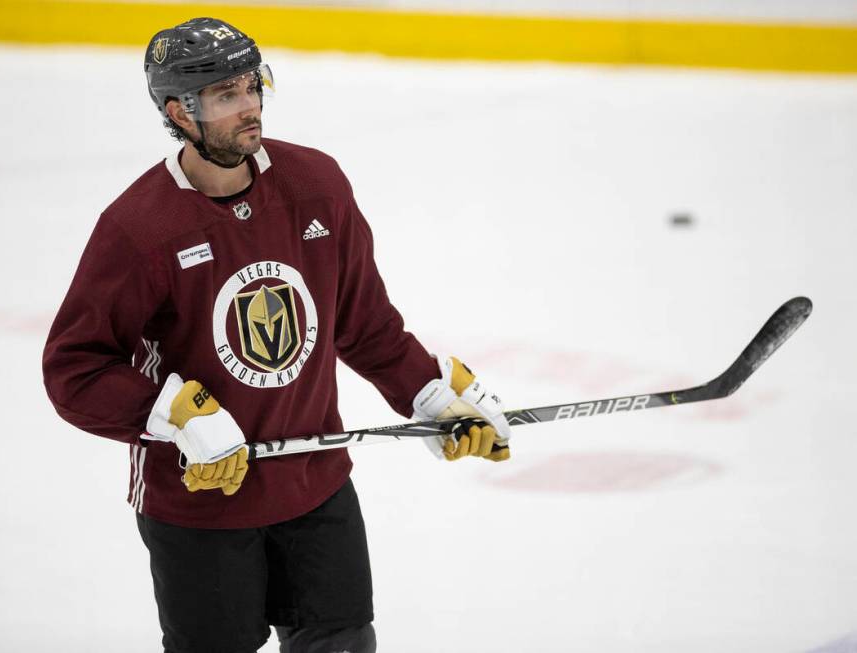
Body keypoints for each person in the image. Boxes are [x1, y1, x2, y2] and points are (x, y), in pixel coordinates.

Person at [42, 17, 511, 653]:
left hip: (316, 487)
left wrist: (429, 394)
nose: (250, 108)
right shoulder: (140, 227)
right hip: (200, 506)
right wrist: (174, 412)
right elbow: (76, 368)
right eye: (227, 96)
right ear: (180, 112)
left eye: (253, 87)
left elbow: (363, 321)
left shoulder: (315, 185)